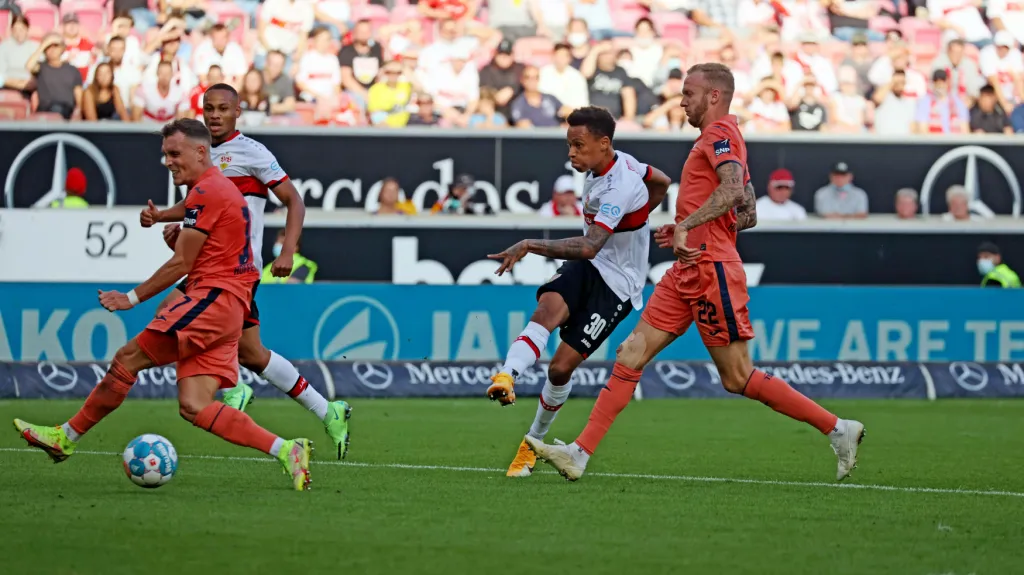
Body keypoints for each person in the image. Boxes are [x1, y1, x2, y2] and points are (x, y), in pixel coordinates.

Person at [524, 64, 864, 483]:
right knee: (630, 354)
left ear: (715, 97)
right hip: (688, 268)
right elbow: (748, 213)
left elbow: (735, 192)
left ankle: (837, 429)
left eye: (688, 93)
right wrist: (691, 224)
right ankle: (580, 453)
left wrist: (689, 225)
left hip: (712, 269)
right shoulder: (721, 140)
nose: (681, 100)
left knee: (737, 377)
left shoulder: (721, 135)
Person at [14, 119, 314, 491]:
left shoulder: (208, 191)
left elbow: (182, 264)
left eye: (175, 153)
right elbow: (208, 253)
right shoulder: (214, 191)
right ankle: (287, 449)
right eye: (165, 155)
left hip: (212, 301)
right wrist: (170, 228)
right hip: (228, 307)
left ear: (201, 152)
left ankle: (66, 438)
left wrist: (132, 297)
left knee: (127, 359)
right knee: (195, 406)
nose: (168, 161)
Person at [139, 84, 353, 460]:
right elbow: (199, 205)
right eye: (209, 108)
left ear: (239, 111)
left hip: (235, 268)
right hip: (212, 267)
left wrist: (286, 250)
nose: (215, 114)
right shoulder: (198, 154)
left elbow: (294, 201)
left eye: (223, 108)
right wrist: (166, 217)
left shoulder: (251, 152)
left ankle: (230, 386)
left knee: (167, 315)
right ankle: (326, 409)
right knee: (253, 353)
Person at [485, 106, 671, 477]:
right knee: (545, 312)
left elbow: (589, 246)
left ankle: (531, 442)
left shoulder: (621, 185)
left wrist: (528, 244)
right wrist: (642, 215)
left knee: (560, 368)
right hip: (589, 267)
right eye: (569, 144)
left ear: (604, 144)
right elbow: (663, 181)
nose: (571, 153)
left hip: (618, 284)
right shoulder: (615, 164)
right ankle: (507, 375)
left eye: (578, 145)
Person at [26, 34, 82, 120]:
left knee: (58, 109)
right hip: (45, 110)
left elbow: (79, 94)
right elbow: (29, 66)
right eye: (49, 46)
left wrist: (79, 111)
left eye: (56, 46)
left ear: (62, 48)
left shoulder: (72, 70)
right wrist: (44, 45)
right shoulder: (41, 67)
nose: (52, 49)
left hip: (66, 110)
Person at [912, 69, 969, 134]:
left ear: (947, 82)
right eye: (936, 81)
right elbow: (923, 129)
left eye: (943, 80)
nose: (940, 84)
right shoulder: (925, 101)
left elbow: (965, 129)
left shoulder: (957, 102)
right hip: (934, 142)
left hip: (955, 141)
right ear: (933, 83)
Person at [0, 15, 39, 92]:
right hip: (8, 85)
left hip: (30, 86)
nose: (18, 33)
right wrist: (18, 84)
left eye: (21, 30)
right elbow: (1, 73)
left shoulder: (36, 47)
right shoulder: (4, 46)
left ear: (27, 29)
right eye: (15, 30)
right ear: (11, 30)